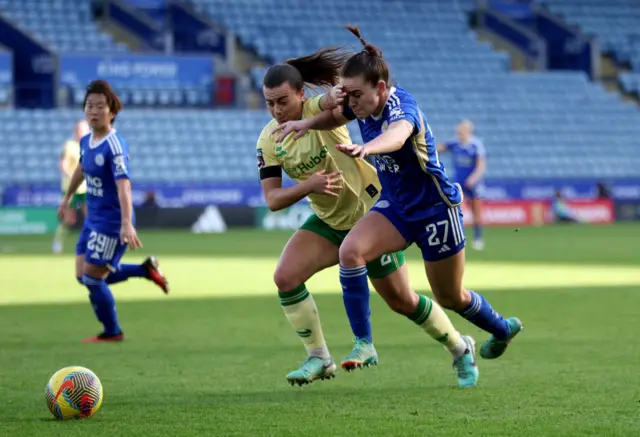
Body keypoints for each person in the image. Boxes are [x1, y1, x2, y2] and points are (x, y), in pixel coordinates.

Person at [274, 26, 523, 362]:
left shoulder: (401, 105)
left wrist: (366, 148)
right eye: (346, 94)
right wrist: (305, 124)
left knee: (450, 296)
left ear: (379, 88)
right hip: (396, 207)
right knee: (351, 252)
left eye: (356, 95)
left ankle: (502, 329)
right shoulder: (358, 103)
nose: (351, 102)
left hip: (436, 210)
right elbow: (334, 115)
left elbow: (397, 136)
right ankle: (364, 344)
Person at [261, 48, 478, 388]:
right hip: (329, 222)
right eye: (269, 103)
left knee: (402, 301)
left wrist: (334, 93)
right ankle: (319, 356)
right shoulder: (268, 141)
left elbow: (335, 102)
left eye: (283, 101)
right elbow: (273, 199)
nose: (277, 110)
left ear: (301, 94)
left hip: (369, 214)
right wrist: (309, 186)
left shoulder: (316, 110)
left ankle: (460, 346)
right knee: (285, 277)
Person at [58, 80, 170, 343]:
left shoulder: (115, 146)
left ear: (112, 111)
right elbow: (81, 169)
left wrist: (126, 224)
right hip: (93, 219)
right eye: (89, 106)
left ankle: (112, 331)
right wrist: (68, 197)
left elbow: (125, 188)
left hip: (111, 222)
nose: (93, 111)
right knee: (82, 276)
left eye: (100, 106)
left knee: (93, 280)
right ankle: (146, 270)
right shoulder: (86, 141)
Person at [437, 120, 487, 250]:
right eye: (458, 131)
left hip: (473, 184)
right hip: (458, 183)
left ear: (468, 131)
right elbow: (439, 148)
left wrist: (473, 178)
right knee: (452, 209)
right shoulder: (454, 143)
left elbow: (481, 165)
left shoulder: (476, 145)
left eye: (462, 131)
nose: (459, 133)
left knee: (476, 211)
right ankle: (452, 238)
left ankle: (478, 238)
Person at [53, 120, 90, 254]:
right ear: (75, 131)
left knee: (90, 216)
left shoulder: (89, 145)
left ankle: (90, 244)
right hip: (71, 188)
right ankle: (58, 241)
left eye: (84, 130)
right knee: (69, 220)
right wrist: (73, 177)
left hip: (86, 188)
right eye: (79, 130)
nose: (81, 132)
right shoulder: (70, 146)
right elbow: (63, 165)